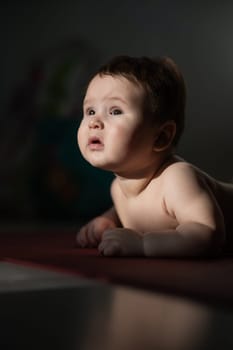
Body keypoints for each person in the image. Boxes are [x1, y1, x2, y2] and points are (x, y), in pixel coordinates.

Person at [76, 55, 233, 257]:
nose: (94, 122)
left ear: (161, 137)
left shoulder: (177, 178)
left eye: (115, 111)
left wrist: (143, 244)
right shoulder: (118, 187)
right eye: (90, 111)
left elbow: (208, 232)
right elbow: (137, 209)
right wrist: (109, 220)